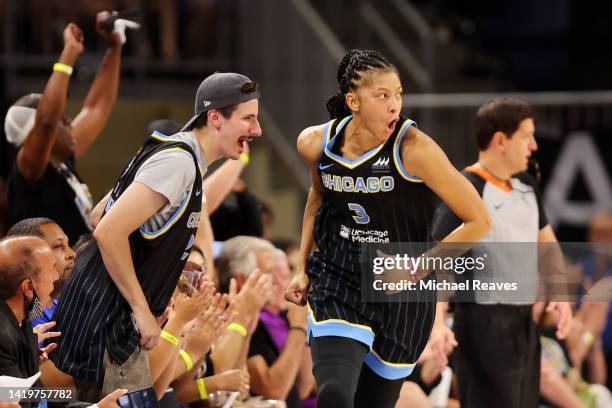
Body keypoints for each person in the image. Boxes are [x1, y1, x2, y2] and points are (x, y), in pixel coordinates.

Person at [285, 49, 491, 408]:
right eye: (382, 95)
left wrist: (418, 267)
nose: (395, 104)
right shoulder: (315, 144)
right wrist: (301, 269)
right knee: (334, 393)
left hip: (404, 290)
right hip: (340, 277)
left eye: (398, 94)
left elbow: (479, 220)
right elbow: (317, 198)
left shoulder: (416, 150)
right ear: (353, 101)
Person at [50, 72, 262, 401]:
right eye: (249, 118)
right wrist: (141, 308)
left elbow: (99, 215)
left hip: (108, 317)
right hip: (108, 321)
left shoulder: (177, 154)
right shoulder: (179, 162)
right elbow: (107, 231)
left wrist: (160, 281)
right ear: (216, 118)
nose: (257, 130)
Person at [432, 97, 573, 407]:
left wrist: (560, 293)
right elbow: (440, 257)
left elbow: (547, 244)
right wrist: (438, 322)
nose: (534, 145)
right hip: (484, 321)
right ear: (501, 141)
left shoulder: (526, 185)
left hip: (524, 321)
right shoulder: (465, 186)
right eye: (526, 136)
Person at [4, 12, 134, 245]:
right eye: (63, 120)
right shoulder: (28, 171)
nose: (70, 124)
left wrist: (115, 48)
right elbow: (46, 122)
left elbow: (97, 107)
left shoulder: (62, 161)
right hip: (44, 277)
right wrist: (68, 55)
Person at [6, 217, 75, 329]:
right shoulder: (32, 314)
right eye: (58, 246)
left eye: (68, 245)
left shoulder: (56, 303)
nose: (72, 254)